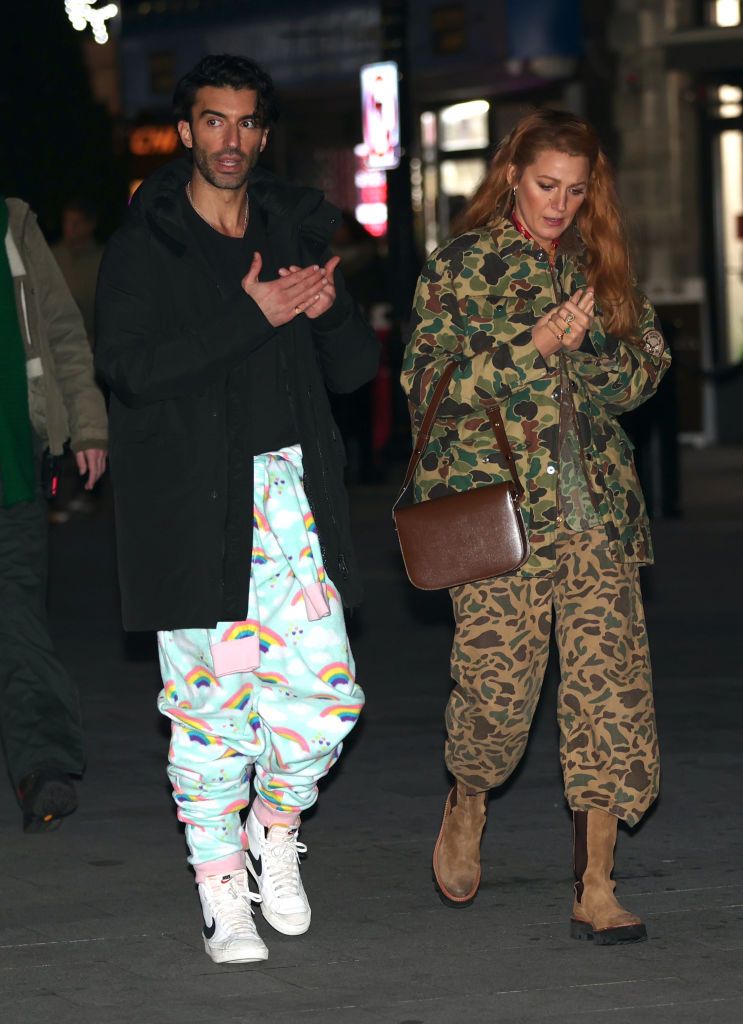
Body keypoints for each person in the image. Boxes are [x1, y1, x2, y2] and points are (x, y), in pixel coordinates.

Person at [95, 54, 379, 965]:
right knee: (210, 712)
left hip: (291, 497)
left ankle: (273, 827)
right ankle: (221, 888)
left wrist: (329, 314)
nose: (231, 139)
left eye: (247, 122)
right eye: (212, 121)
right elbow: (129, 370)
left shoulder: (296, 227)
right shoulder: (149, 243)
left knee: (329, 701)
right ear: (185, 132)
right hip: (191, 503)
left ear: (263, 133)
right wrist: (249, 319)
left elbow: (357, 376)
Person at [401, 109, 670, 945]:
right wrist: (533, 345)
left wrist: (587, 353)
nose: (559, 204)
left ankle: (595, 883)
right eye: (545, 185)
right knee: (495, 700)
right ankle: (469, 796)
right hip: (504, 523)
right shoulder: (462, 266)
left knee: (609, 701)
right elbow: (427, 385)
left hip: (596, 518)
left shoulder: (601, 265)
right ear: (512, 174)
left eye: (576, 190)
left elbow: (647, 369)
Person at [0, 194, 107, 832]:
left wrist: (88, 425)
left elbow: (62, 329)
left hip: (13, 467)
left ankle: (42, 765)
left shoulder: (13, 225)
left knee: (18, 618)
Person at [51, 198, 103, 347]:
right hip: (56, 343)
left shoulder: (102, 260)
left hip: (90, 345)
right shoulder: (51, 256)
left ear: (90, 225)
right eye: (66, 222)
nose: (69, 228)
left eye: (76, 223)